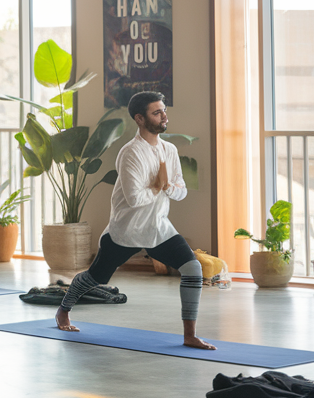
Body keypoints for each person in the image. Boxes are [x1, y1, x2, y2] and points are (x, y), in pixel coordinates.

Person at [55, 91, 215, 351]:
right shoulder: (130, 154)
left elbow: (181, 190)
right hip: (126, 231)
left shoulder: (169, 149)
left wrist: (169, 189)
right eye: (157, 112)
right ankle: (63, 311)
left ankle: (190, 335)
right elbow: (133, 199)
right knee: (96, 277)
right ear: (140, 119)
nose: (164, 116)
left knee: (192, 269)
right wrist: (158, 186)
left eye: (164, 110)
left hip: (158, 227)